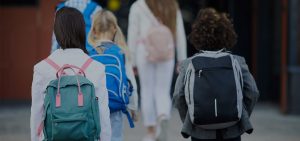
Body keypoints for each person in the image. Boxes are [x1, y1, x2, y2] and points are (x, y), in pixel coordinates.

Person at [173, 8, 260, 141]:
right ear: (228, 35)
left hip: (200, 131)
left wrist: (191, 119)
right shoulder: (237, 61)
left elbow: (178, 96)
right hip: (232, 130)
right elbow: (252, 92)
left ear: (197, 35)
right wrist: (239, 114)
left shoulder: (188, 63)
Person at [31, 7, 111, 141]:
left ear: (57, 32)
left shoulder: (42, 68)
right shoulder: (97, 68)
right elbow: (103, 115)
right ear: (82, 31)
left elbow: (37, 114)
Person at [127, 0, 187, 140]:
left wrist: (132, 61)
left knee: (147, 90)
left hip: (144, 50)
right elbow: (179, 33)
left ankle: (151, 131)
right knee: (162, 90)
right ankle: (163, 116)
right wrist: (182, 60)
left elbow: (132, 33)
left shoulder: (138, 5)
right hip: (166, 50)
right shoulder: (171, 4)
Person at [88, 10, 139, 141]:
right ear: (114, 29)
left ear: (94, 30)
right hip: (115, 105)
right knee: (115, 137)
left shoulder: (89, 53)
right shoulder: (121, 52)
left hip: (94, 106)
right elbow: (130, 82)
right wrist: (133, 107)